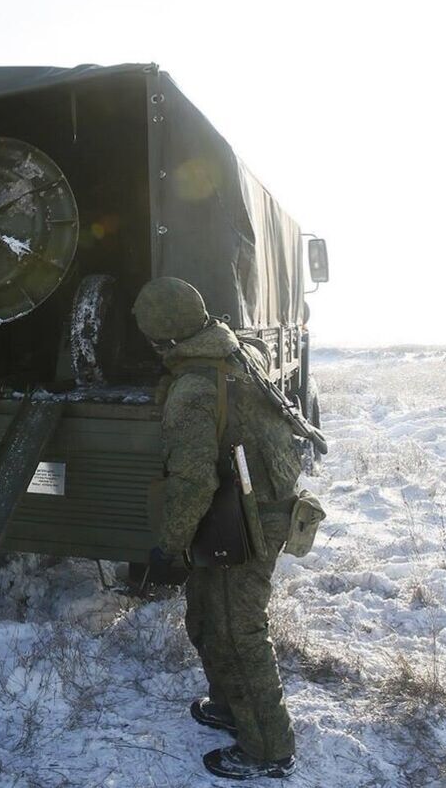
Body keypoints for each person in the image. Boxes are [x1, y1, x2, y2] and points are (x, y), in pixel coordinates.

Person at [133, 277, 303, 781]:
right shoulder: (230, 348)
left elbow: (191, 480)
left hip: (249, 517)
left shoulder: (194, 388)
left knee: (237, 630)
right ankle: (232, 708)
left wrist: (169, 546)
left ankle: (269, 749)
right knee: (207, 616)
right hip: (239, 510)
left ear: (161, 338)